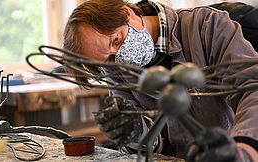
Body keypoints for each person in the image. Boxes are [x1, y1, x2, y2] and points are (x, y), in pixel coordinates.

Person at [63, 0, 258, 161]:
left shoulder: (207, 25)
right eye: (109, 59)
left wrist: (244, 150)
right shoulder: (116, 71)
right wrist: (134, 133)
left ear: (126, 12)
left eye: (116, 40)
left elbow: (251, 88)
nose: (120, 57)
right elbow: (155, 142)